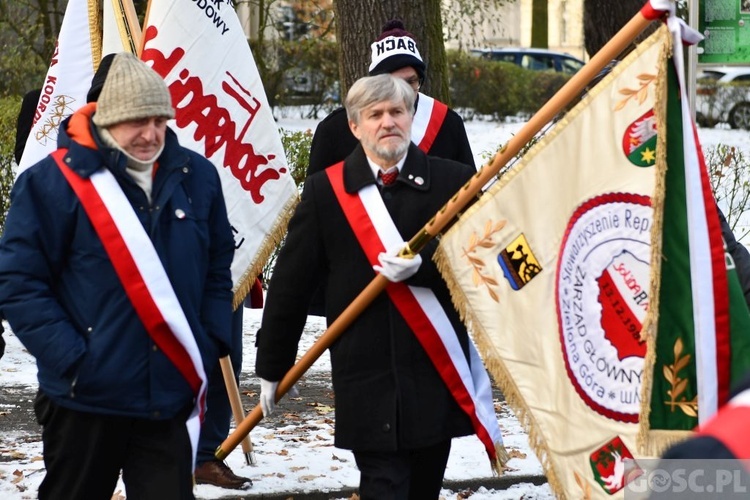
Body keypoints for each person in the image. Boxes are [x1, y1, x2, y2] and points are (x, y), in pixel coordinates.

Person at [0, 52, 235, 499]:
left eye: (158, 120)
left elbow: (218, 264)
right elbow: (19, 283)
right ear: (104, 119)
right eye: (135, 121)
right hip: (83, 398)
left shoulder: (198, 177)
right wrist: (72, 359)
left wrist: (209, 340)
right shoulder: (51, 183)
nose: (150, 134)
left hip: (169, 393)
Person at [256, 74, 501, 499]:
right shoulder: (325, 192)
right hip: (364, 374)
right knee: (383, 487)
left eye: (397, 112)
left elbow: (499, 263)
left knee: (422, 489)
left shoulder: (454, 184)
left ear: (410, 117)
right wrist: (272, 366)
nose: (388, 122)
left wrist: (426, 268)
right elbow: (290, 287)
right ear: (355, 126)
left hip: (433, 372)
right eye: (375, 114)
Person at [306, 19, 475, 176]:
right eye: (393, 82)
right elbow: (318, 200)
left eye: (411, 82)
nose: (403, 92)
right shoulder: (335, 129)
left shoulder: (448, 124)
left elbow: (470, 197)